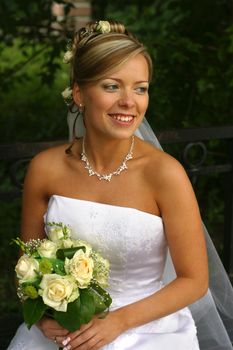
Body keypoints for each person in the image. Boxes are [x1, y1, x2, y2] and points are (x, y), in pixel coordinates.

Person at [7, 20, 233, 350]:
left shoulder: (165, 174)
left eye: (140, 88)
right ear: (80, 93)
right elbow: (25, 267)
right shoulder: (45, 168)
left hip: (148, 331)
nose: (130, 101)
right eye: (112, 86)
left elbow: (194, 281)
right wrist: (43, 315)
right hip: (62, 334)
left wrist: (118, 321)